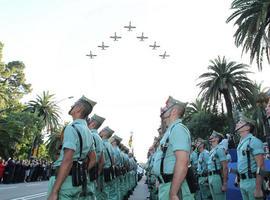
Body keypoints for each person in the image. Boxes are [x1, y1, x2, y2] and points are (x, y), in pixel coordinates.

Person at [47, 96, 96, 200]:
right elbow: (93, 159)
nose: (71, 106)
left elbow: (67, 160)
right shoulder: (89, 133)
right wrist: (80, 171)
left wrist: (55, 191)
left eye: (73, 105)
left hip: (64, 183)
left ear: (78, 109)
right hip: (76, 182)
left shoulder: (71, 128)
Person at [153, 96, 193, 200]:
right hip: (167, 184)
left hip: (175, 187)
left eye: (167, 106)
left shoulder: (178, 129)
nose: (163, 109)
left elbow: (182, 162)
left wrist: (173, 193)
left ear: (174, 111)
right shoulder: (170, 131)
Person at [235, 115, 264, 200]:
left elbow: (261, 166)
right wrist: (238, 176)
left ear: (247, 127)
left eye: (240, 122)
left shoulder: (254, 141)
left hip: (253, 182)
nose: (237, 124)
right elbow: (242, 162)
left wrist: (258, 189)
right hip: (243, 182)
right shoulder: (241, 143)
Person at [87, 114, 106, 200]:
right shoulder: (99, 138)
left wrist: (84, 171)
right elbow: (102, 161)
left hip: (87, 171)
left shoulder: (90, 135)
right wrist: (97, 173)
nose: (88, 121)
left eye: (90, 120)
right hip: (93, 171)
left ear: (93, 124)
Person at [207, 131, 228, 200]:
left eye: (212, 136)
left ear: (217, 139)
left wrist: (224, 183)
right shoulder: (212, 151)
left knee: (220, 197)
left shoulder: (219, 149)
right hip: (210, 176)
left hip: (217, 177)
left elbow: (224, 167)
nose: (210, 137)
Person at [99, 126, 116, 200]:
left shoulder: (101, 143)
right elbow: (113, 161)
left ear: (105, 133)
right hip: (108, 170)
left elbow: (101, 161)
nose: (101, 131)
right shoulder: (110, 145)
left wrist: (98, 172)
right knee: (107, 192)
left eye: (103, 130)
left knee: (101, 194)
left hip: (102, 171)